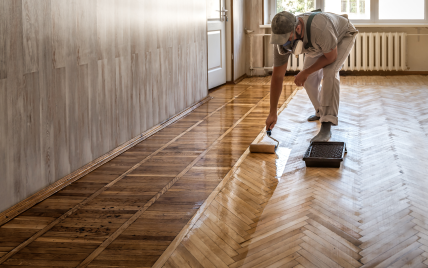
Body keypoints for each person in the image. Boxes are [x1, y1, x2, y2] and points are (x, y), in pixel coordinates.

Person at [265, 10, 358, 141]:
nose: (285, 44)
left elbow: (331, 57)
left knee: (330, 72)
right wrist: (272, 112)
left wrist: (305, 72)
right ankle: (321, 111)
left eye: (287, 39)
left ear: (297, 28)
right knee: (308, 80)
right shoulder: (281, 40)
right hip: (318, 43)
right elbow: (277, 77)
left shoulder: (320, 27)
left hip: (342, 35)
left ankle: (327, 125)